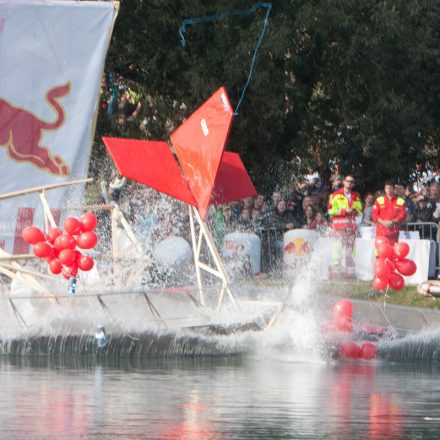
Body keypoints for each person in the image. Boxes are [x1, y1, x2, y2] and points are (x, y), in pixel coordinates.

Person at [327, 175, 363, 278]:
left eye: (352, 181)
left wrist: (355, 211)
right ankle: (335, 274)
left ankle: (350, 275)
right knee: (337, 250)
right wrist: (344, 211)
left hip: (350, 228)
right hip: (338, 227)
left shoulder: (356, 196)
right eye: (348, 181)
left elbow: (360, 210)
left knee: (351, 251)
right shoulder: (335, 195)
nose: (350, 183)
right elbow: (330, 211)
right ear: (343, 182)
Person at [371, 180, 406, 246]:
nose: (389, 190)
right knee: (380, 253)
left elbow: (403, 214)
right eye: (387, 188)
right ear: (385, 189)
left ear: (394, 189)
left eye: (391, 188)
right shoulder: (379, 200)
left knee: (393, 253)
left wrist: (393, 221)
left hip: (394, 233)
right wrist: (383, 222)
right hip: (381, 232)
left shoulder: (400, 201)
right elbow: (374, 214)